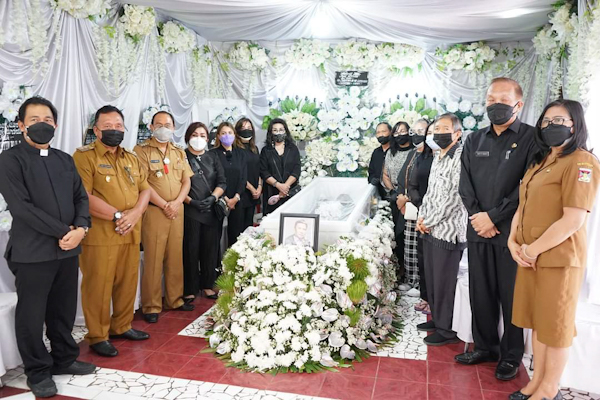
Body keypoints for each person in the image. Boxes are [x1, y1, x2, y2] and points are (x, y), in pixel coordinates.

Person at [0, 97, 95, 398]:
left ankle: (64, 358)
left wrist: (81, 228)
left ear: (56, 124)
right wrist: (67, 232)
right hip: (32, 252)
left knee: (63, 309)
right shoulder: (10, 160)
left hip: (68, 248)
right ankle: (38, 371)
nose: (42, 124)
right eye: (34, 119)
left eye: (48, 119)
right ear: (21, 125)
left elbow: (81, 197)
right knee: (31, 315)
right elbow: (22, 208)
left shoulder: (64, 159)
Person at [508, 99, 599, 400]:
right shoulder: (541, 160)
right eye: (546, 121)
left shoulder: (582, 162)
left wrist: (531, 250)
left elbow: (573, 219)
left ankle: (549, 388)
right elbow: (523, 206)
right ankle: (537, 380)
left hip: (558, 259)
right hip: (529, 255)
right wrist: (512, 241)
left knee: (555, 326)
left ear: (575, 125)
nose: (550, 126)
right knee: (538, 321)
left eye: (559, 121)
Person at [455, 78, 537, 381]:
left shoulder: (532, 139)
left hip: (511, 233)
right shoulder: (474, 140)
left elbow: (526, 186)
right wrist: (479, 217)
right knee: (481, 292)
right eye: (491, 99)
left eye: (502, 100)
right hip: (478, 229)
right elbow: (464, 184)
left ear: (518, 104)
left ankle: (511, 355)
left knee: (511, 296)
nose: (495, 105)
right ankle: (484, 347)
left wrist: (494, 217)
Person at [73, 105, 151, 358]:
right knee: (98, 286)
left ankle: (122, 326)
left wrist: (136, 213)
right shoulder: (84, 157)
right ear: (96, 130)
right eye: (108, 126)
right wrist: (119, 215)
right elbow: (83, 196)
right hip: (101, 234)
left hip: (130, 231)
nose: (114, 130)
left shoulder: (131, 157)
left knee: (127, 283)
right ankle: (98, 335)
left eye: (118, 125)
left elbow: (145, 189)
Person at [134, 111, 195, 323]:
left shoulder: (178, 151)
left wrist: (177, 203)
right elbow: (143, 183)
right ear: (151, 127)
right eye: (158, 124)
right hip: (154, 210)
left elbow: (186, 180)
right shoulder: (141, 151)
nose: (163, 128)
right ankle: (151, 305)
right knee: (153, 258)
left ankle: (174, 299)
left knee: (175, 256)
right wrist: (164, 204)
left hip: (177, 210)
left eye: (167, 125)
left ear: (174, 128)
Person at [416, 113, 467, 346]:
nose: (439, 133)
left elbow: (455, 196)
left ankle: (447, 330)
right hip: (430, 228)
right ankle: (437, 320)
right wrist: (422, 217)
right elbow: (430, 192)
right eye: (436, 129)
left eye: (445, 129)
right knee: (433, 279)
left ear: (457, 133)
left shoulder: (460, 157)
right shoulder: (438, 156)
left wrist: (430, 221)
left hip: (448, 230)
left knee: (445, 282)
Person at [182, 122, 226, 301]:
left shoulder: (213, 157)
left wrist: (213, 197)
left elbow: (222, 182)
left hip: (210, 210)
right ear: (187, 137)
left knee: (210, 249)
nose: (198, 138)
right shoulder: (182, 156)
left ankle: (208, 285)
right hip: (190, 211)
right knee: (190, 250)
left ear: (208, 139)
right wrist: (191, 201)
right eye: (195, 135)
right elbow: (177, 184)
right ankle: (190, 288)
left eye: (202, 135)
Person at [395, 118, 430, 297]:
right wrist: (401, 197)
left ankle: (420, 283)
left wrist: (409, 199)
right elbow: (402, 178)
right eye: (414, 131)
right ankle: (410, 280)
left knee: (420, 247)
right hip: (408, 206)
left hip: (423, 206)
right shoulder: (413, 153)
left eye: (421, 131)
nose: (416, 135)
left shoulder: (431, 155)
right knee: (409, 245)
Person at [409, 121, 437, 314]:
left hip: (442, 218)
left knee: (438, 262)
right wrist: (422, 207)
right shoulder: (422, 157)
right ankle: (426, 297)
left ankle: (437, 302)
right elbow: (412, 185)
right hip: (423, 216)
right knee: (424, 258)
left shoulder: (452, 158)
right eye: (430, 132)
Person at [382, 121, 414, 281]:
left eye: (403, 131)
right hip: (394, 197)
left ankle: (409, 271)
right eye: (396, 132)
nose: (399, 135)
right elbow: (385, 174)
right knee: (396, 234)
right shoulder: (391, 152)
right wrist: (394, 192)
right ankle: (398, 267)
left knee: (406, 234)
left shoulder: (415, 152)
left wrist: (404, 195)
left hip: (409, 198)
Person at [211, 122, 247, 246]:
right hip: (219, 199)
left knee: (236, 235)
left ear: (234, 135)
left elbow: (243, 178)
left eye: (230, 133)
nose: (227, 135)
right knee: (215, 235)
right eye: (223, 133)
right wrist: (225, 198)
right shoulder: (213, 154)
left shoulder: (241, 154)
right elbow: (214, 178)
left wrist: (236, 197)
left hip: (237, 199)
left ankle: (232, 258)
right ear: (218, 136)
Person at [259, 118, 301, 215]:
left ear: (286, 131)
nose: (278, 133)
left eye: (281, 130)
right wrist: (278, 185)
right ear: (271, 132)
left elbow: (296, 169)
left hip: (290, 191)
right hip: (272, 192)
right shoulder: (266, 150)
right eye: (275, 130)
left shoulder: (293, 148)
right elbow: (264, 171)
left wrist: (285, 186)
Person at [236, 117, 261, 230]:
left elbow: (259, 169)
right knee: (238, 228)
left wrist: (259, 187)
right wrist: (251, 188)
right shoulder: (235, 149)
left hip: (254, 194)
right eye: (243, 128)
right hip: (241, 193)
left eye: (249, 127)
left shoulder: (254, 148)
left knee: (249, 227)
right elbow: (238, 174)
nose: (246, 130)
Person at [368, 122, 392, 198]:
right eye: (378, 132)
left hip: (395, 194)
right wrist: (372, 179)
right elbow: (371, 172)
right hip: (379, 194)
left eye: (384, 131)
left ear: (391, 132)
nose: (381, 135)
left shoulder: (397, 151)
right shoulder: (376, 152)